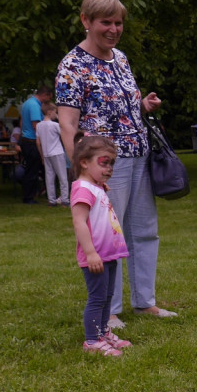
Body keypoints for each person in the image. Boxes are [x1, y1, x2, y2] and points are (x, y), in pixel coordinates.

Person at [57, 0, 175, 330]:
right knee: (108, 235)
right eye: (105, 22)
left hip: (139, 155)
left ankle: (145, 302)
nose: (113, 29)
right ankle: (109, 309)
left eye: (118, 23)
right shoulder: (72, 66)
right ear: (86, 21)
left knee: (144, 231)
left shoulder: (120, 58)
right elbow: (68, 123)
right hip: (105, 165)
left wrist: (143, 106)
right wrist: (84, 175)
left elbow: (120, 108)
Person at [69, 136, 132, 357]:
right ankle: (92, 341)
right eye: (104, 163)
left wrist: (99, 186)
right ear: (84, 162)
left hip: (109, 254)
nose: (109, 168)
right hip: (96, 256)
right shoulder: (83, 190)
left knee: (107, 297)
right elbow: (79, 222)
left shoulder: (94, 187)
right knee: (97, 298)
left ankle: (103, 332)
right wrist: (90, 253)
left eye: (111, 163)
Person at [19, 85, 53, 204]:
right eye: (48, 98)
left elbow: (22, 121)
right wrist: (43, 141)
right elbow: (36, 125)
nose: (48, 101)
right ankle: (28, 197)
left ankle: (34, 193)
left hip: (25, 139)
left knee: (32, 169)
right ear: (45, 94)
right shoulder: (34, 105)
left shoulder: (28, 103)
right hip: (32, 142)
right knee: (32, 170)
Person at [36, 102, 69, 207]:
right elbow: (64, 135)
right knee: (62, 177)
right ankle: (64, 199)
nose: (56, 114)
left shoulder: (39, 125)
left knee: (49, 177)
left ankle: (51, 200)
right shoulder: (55, 125)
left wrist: (41, 155)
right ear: (50, 112)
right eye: (55, 112)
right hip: (57, 152)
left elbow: (38, 142)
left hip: (46, 154)